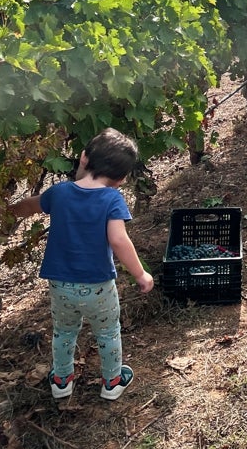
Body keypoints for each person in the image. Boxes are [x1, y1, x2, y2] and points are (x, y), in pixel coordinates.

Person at [9, 128, 154, 401]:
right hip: (98, 286)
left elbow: (31, 205)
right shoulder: (112, 199)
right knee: (109, 332)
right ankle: (111, 382)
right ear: (121, 179)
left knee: (64, 332)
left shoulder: (60, 193)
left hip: (60, 285)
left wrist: (9, 211)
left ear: (84, 158)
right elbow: (119, 241)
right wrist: (141, 274)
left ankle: (62, 380)